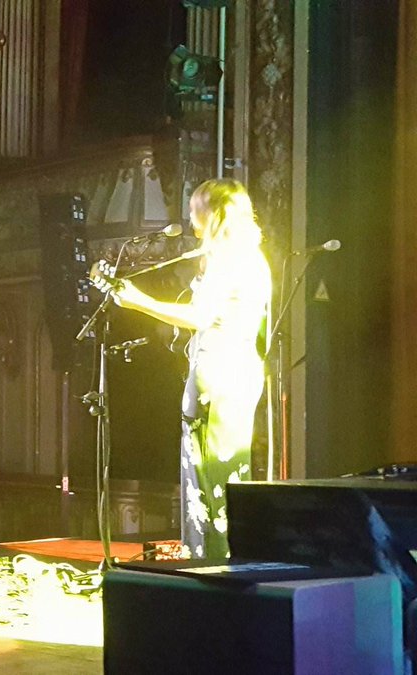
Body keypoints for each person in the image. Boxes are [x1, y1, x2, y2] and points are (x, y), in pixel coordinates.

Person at [92, 178, 270, 560]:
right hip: (236, 371)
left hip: (219, 373)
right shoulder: (250, 257)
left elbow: (201, 316)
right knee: (221, 473)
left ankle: (211, 562)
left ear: (216, 212)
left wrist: (137, 301)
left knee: (207, 475)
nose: (190, 217)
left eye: (196, 208)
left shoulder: (229, 257)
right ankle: (221, 560)